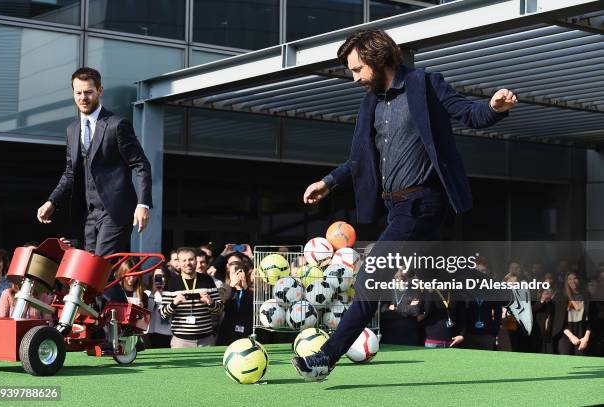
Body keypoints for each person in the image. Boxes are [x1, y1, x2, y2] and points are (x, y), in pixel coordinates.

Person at [292, 29, 516, 380]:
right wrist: (328, 182)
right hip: (395, 208)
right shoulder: (372, 102)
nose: (354, 79)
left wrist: (494, 107)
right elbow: (359, 159)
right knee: (377, 277)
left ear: (378, 59)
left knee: (370, 275)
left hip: (423, 203)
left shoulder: (425, 83)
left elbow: (469, 113)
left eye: (356, 69)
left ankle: (326, 358)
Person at [35, 67, 152, 301]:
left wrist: (143, 204)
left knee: (97, 269)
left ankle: (122, 325)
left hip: (114, 212)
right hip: (89, 214)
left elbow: (140, 164)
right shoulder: (71, 130)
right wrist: (52, 201)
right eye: (78, 93)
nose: (83, 98)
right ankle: (113, 326)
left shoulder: (117, 125)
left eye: (88, 92)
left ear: (99, 91)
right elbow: (70, 172)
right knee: (93, 276)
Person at [159, 247, 223, 348]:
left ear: (196, 261)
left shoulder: (207, 280)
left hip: (206, 340)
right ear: (179, 263)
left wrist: (210, 302)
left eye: (191, 259)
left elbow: (220, 309)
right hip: (180, 341)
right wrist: (174, 303)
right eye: (184, 260)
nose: (187, 263)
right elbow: (163, 313)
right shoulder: (171, 282)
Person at [551, 272, 596, 356]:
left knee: (581, 358)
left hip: (582, 333)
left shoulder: (586, 296)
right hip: (566, 333)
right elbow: (558, 321)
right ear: (566, 281)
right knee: (565, 355)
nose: (573, 281)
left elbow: (592, 319)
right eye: (569, 279)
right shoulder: (561, 296)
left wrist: (586, 338)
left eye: (575, 278)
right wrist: (571, 337)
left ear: (579, 280)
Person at [216, 259, 254, 346]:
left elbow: (252, 310)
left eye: (240, 272)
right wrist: (231, 287)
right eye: (234, 273)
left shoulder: (251, 292)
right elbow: (223, 307)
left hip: (245, 334)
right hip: (227, 334)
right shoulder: (223, 290)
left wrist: (245, 289)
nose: (238, 275)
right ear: (229, 276)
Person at [144, 264, 172, 348]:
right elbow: (148, 311)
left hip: (167, 332)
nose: (160, 279)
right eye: (157, 276)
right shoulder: (147, 293)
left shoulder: (171, 292)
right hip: (151, 332)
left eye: (163, 276)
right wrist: (153, 292)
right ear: (152, 278)